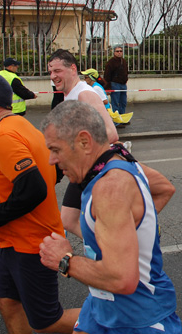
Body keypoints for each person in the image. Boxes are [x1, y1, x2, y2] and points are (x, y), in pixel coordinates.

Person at [39, 100, 181, 333]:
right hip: (102, 305)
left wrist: (64, 260)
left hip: (138, 319)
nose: (51, 160)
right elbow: (165, 188)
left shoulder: (109, 188)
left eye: (56, 149)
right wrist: (128, 231)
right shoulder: (119, 162)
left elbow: (121, 279)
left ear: (84, 141)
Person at [0, 72, 79, 333]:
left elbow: (33, 188)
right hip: (14, 241)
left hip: (31, 244)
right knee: (6, 301)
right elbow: (49, 172)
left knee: (49, 322)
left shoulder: (4, 137)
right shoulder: (19, 126)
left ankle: (123, 319)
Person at [48, 49, 120, 237]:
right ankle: (106, 247)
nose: (53, 76)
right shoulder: (69, 95)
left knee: (79, 219)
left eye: (57, 71)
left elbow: (111, 134)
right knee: (69, 220)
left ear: (73, 68)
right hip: (84, 167)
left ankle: (111, 250)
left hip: (98, 168)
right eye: (50, 72)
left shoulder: (84, 95)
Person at [103, 46, 128, 114]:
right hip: (115, 84)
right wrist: (108, 87)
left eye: (120, 51)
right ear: (114, 52)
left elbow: (126, 72)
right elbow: (107, 75)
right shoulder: (111, 62)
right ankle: (116, 121)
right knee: (115, 103)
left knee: (123, 102)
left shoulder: (123, 61)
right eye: (117, 51)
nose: (119, 53)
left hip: (123, 85)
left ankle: (122, 118)